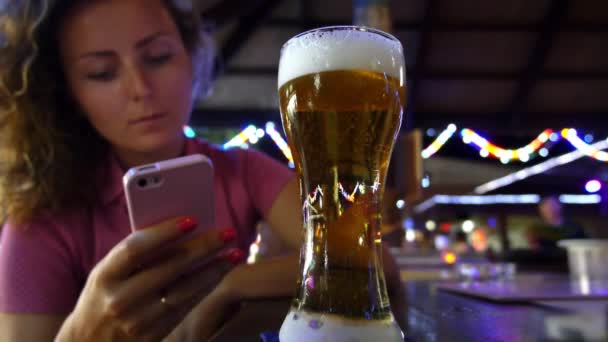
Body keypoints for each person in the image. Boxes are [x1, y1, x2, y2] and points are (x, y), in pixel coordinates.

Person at [0, 1, 404, 340]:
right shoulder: (40, 217)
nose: (139, 88)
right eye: (102, 73)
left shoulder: (240, 170)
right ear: (68, 93)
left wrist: (229, 286)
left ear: (192, 58)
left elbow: (367, 261)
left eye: (158, 57)